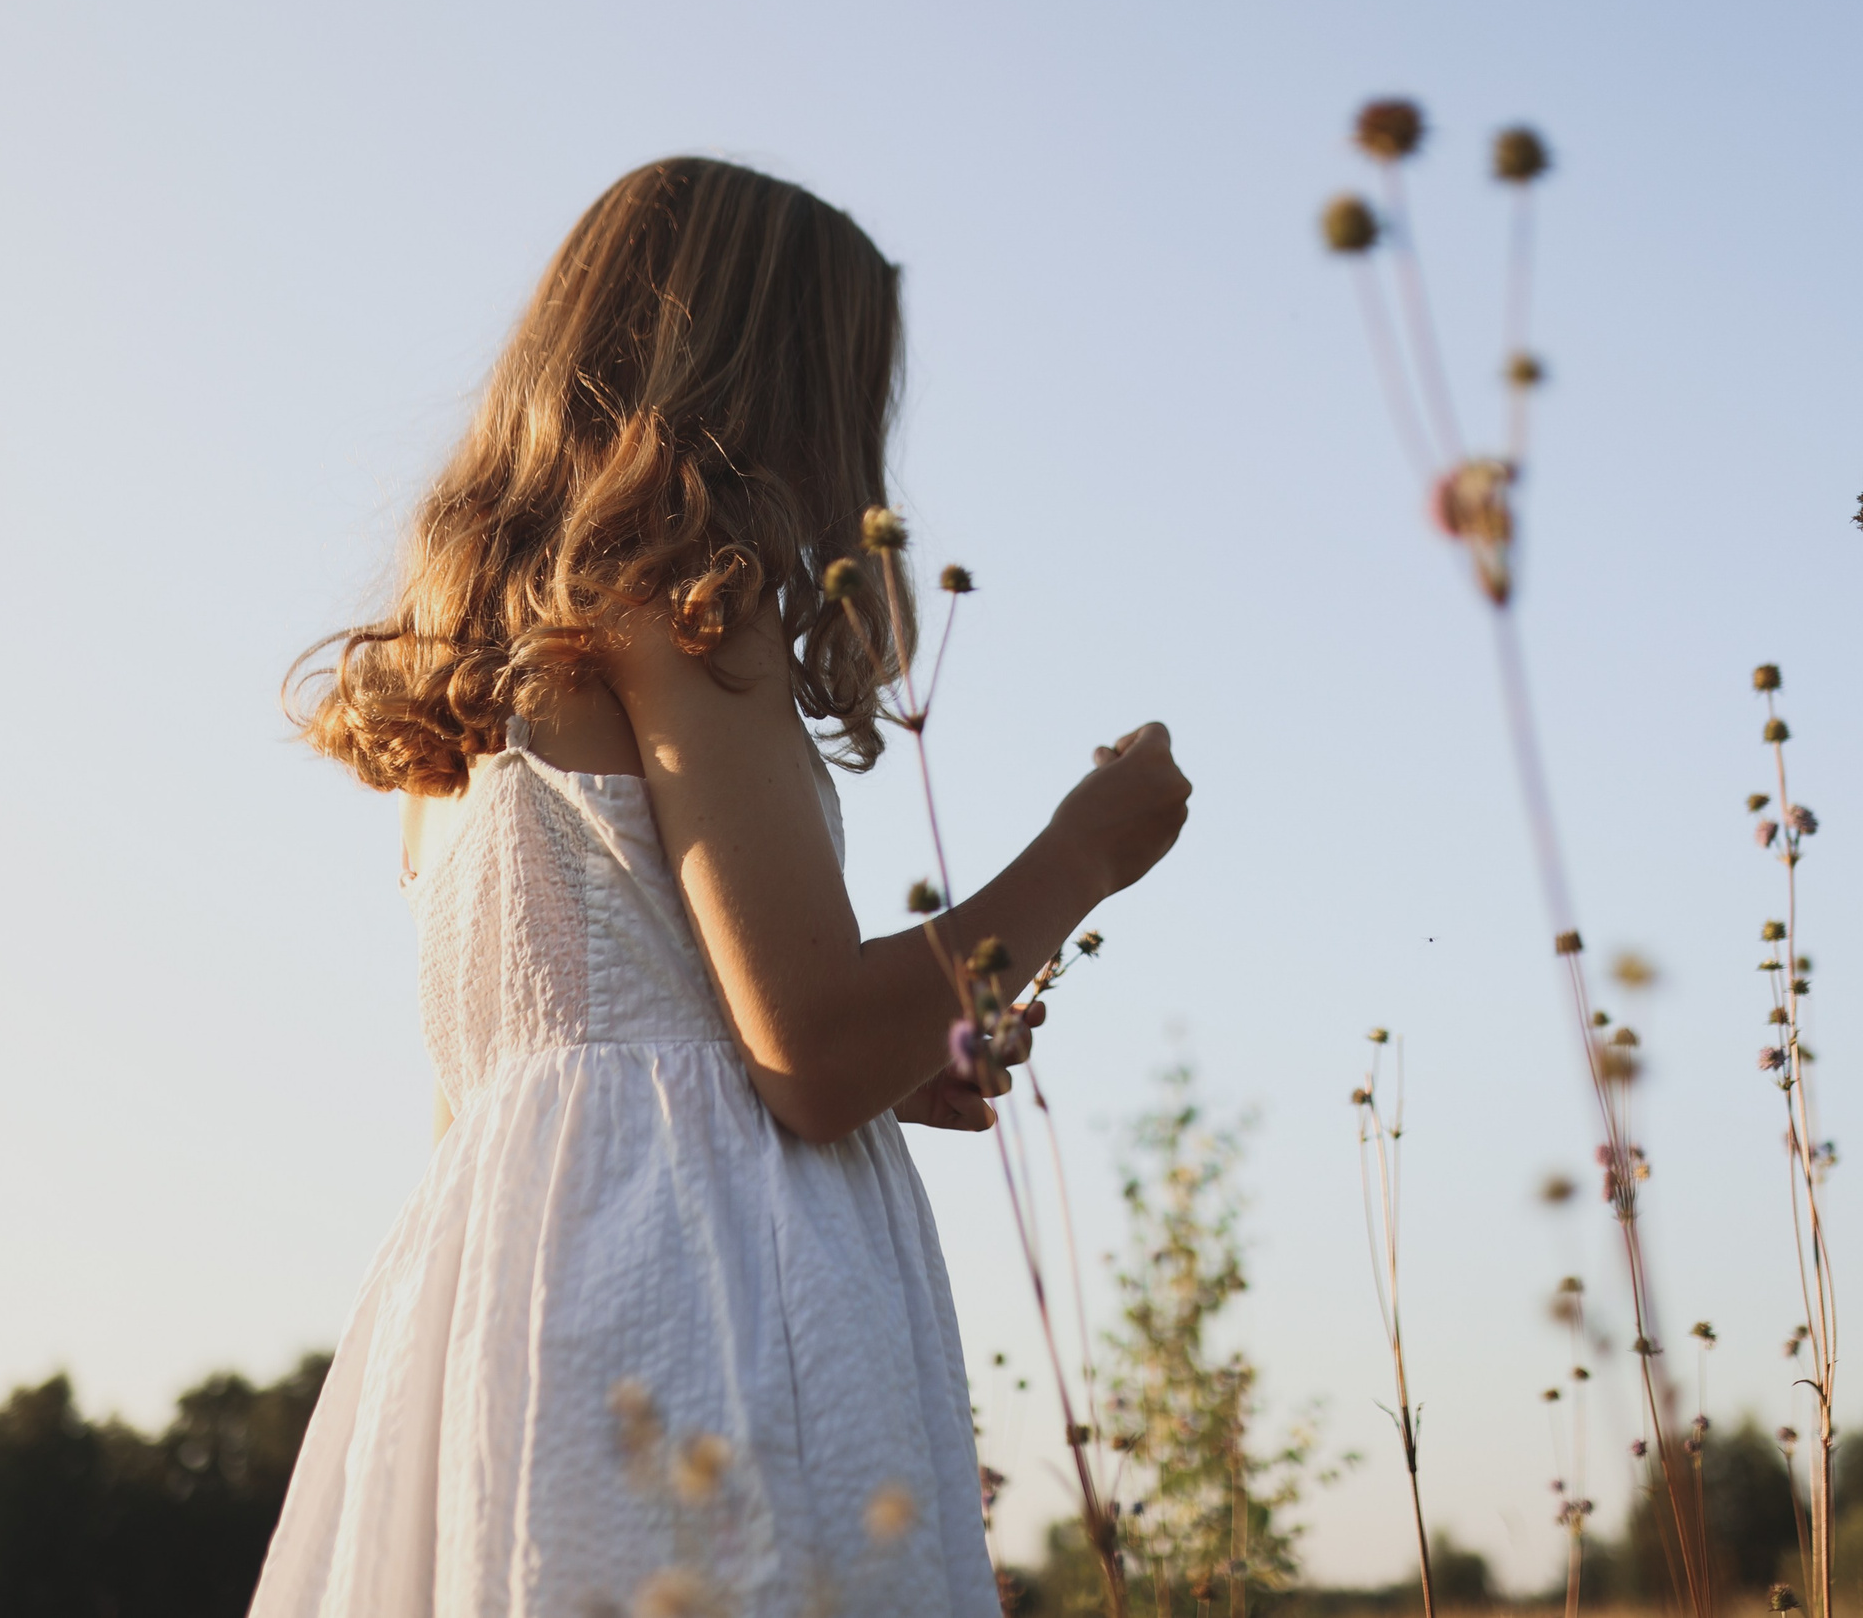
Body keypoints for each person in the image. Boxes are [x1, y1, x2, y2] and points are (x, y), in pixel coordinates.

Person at [256, 157, 1190, 1616]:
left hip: (506, 1309)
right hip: (709, 1294)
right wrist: (1087, 849)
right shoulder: (685, 605)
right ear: (781, 388)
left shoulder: (461, 694)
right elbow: (807, 1054)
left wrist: (900, 1048)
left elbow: (574, 1044)